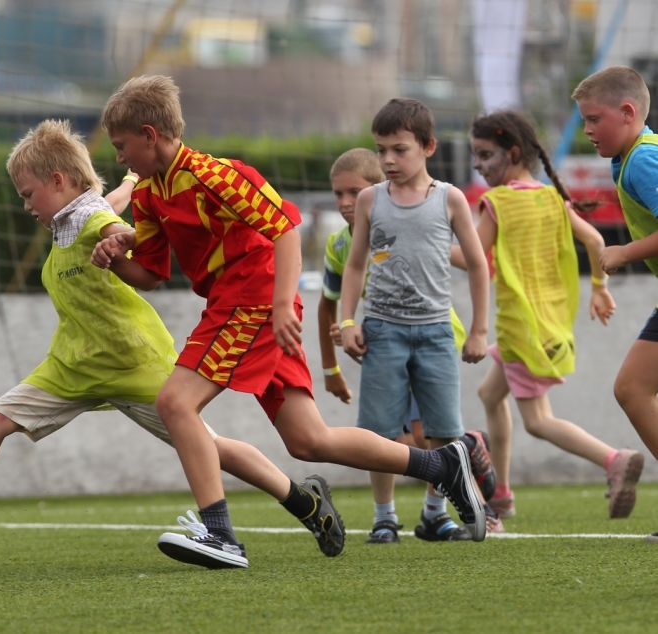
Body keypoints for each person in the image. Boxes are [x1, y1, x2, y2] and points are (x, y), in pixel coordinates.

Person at [0, 119, 340, 557]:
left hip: (135, 363)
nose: (25, 205)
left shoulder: (94, 220)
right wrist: (130, 186)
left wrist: (122, 233)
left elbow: (108, 220)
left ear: (58, 180)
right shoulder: (66, 222)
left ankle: (303, 503)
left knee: (209, 448)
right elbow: (103, 204)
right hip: (74, 365)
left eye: (29, 193)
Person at [91, 76, 486, 570]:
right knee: (309, 441)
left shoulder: (217, 174)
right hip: (236, 304)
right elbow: (149, 274)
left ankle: (220, 535)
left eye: (122, 146)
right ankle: (442, 464)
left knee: (175, 402)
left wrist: (281, 306)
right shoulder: (151, 194)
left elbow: (285, 230)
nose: (121, 159)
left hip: (253, 300)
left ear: (150, 135)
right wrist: (109, 256)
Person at [452, 109, 639, 520]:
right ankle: (500, 492)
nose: (479, 166)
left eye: (485, 155)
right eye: (476, 157)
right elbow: (593, 239)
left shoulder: (497, 201)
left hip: (521, 328)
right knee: (490, 393)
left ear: (513, 152)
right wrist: (599, 289)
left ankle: (613, 460)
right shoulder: (551, 196)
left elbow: (471, 257)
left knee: (538, 420)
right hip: (548, 323)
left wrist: (421, 246)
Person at [321, 147, 497, 544]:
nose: (346, 202)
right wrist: (343, 331)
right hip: (382, 334)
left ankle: (435, 511)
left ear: (426, 147)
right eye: (339, 195)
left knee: (434, 433)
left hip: (436, 332)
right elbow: (335, 294)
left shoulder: (444, 201)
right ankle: (386, 516)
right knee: (383, 434)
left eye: (398, 149)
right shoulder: (341, 242)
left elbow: (473, 261)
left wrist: (478, 329)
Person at [574, 66, 658, 539]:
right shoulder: (628, 159)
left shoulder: (643, 160)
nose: (586, 130)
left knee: (632, 388)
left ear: (627, 113)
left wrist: (625, 251)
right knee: (631, 389)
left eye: (593, 119)